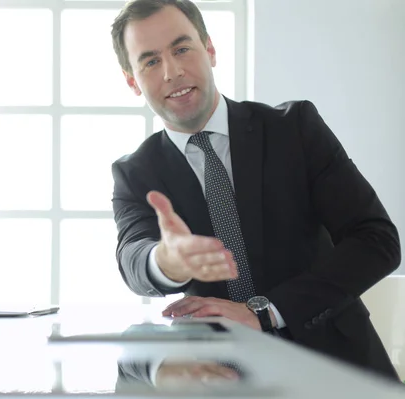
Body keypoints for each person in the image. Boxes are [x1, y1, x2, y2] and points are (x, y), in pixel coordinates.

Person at [110, 0, 401, 380]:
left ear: (210, 50)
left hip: (336, 368)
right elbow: (134, 255)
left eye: (182, 48)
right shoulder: (135, 172)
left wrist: (266, 312)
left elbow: (377, 241)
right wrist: (166, 260)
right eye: (150, 61)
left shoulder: (295, 128)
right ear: (132, 80)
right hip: (220, 379)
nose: (172, 72)